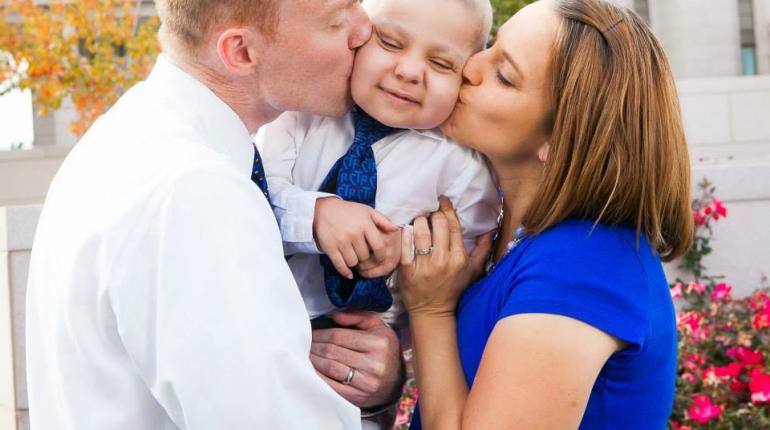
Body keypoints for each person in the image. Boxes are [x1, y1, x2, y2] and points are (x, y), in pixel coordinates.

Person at [24, 1, 392, 428]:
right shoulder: (196, 192)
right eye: (336, 20)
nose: (365, 30)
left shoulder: (128, 138)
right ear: (240, 52)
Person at [397, 0, 694, 429]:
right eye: (491, 44)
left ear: (561, 140)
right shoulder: (521, 238)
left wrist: (430, 311)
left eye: (503, 75)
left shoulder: (587, 262)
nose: (470, 67)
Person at [256, 1, 498, 423]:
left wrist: (402, 255)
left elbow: (460, 283)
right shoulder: (299, 115)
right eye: (389, 42)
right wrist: (316, 214)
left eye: (441, 63)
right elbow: (253, 196)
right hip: (256, 342)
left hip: (357, 386)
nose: (409, 71)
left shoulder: (463, 171)